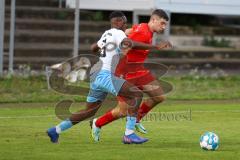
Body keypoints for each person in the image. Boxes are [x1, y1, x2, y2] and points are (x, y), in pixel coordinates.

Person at [47, 11, 165, 144]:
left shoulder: (106, 33)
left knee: (88, 111)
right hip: (105, 74)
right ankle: (129, 134)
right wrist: (155, 46)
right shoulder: (118, 33)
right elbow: (130, 43)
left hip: (95, 75)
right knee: (136, 94)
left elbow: (93, 48)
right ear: (118, 22)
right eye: (124, 22)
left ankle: (55, 130)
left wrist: (107, 48)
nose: (125, 25)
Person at [91, 9, 172, 142]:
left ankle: (135, 120)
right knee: (122, 111)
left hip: (138, 70)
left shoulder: (143, 27)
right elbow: (129, 43)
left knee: (158, 96)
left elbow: (129, 31)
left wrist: (125, 32)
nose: (163, 27)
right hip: (124, 72)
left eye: (165, 25)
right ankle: (98, 123)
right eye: (162, 23)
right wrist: (155, 47)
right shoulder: (143, 32)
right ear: (154, 20)